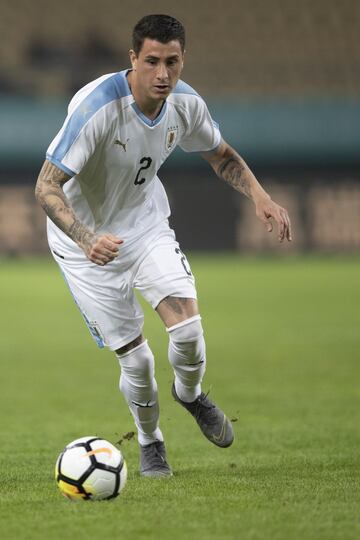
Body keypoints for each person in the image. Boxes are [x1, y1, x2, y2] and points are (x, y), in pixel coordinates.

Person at [35, 14, 292, 477]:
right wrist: (87, 238)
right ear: (132, 59)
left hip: (144, 225)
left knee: (189, 332)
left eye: (172, 62)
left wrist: (261, 197)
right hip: (84, 248)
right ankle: (151, 442)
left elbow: (222, 155)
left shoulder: (185, 104)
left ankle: (190, 394)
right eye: (151, 61)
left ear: (182, 60)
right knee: (137, 359)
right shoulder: (98, 109)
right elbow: (46, 187)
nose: (162, 74)